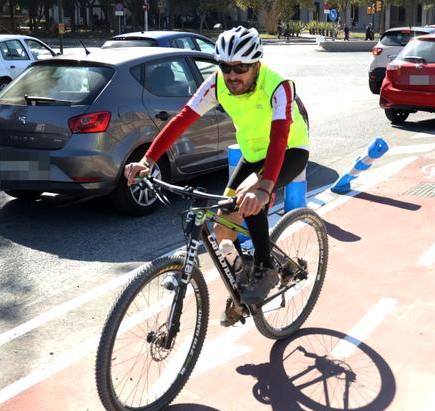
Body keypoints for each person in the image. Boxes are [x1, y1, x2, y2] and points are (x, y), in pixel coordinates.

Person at [124, 26, 310, 314]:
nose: (232, 75)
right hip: (252, 153)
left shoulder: (278, 86)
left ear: (256, 64)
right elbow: (183, 119)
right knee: (223, 227)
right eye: (225, 66)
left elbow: (279, 137)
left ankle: (266, 268)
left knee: (251, 198)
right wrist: (147, 160)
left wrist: (264, 186)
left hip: (288, 151)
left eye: (241, 68)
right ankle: (243, 273)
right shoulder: (216, 84)